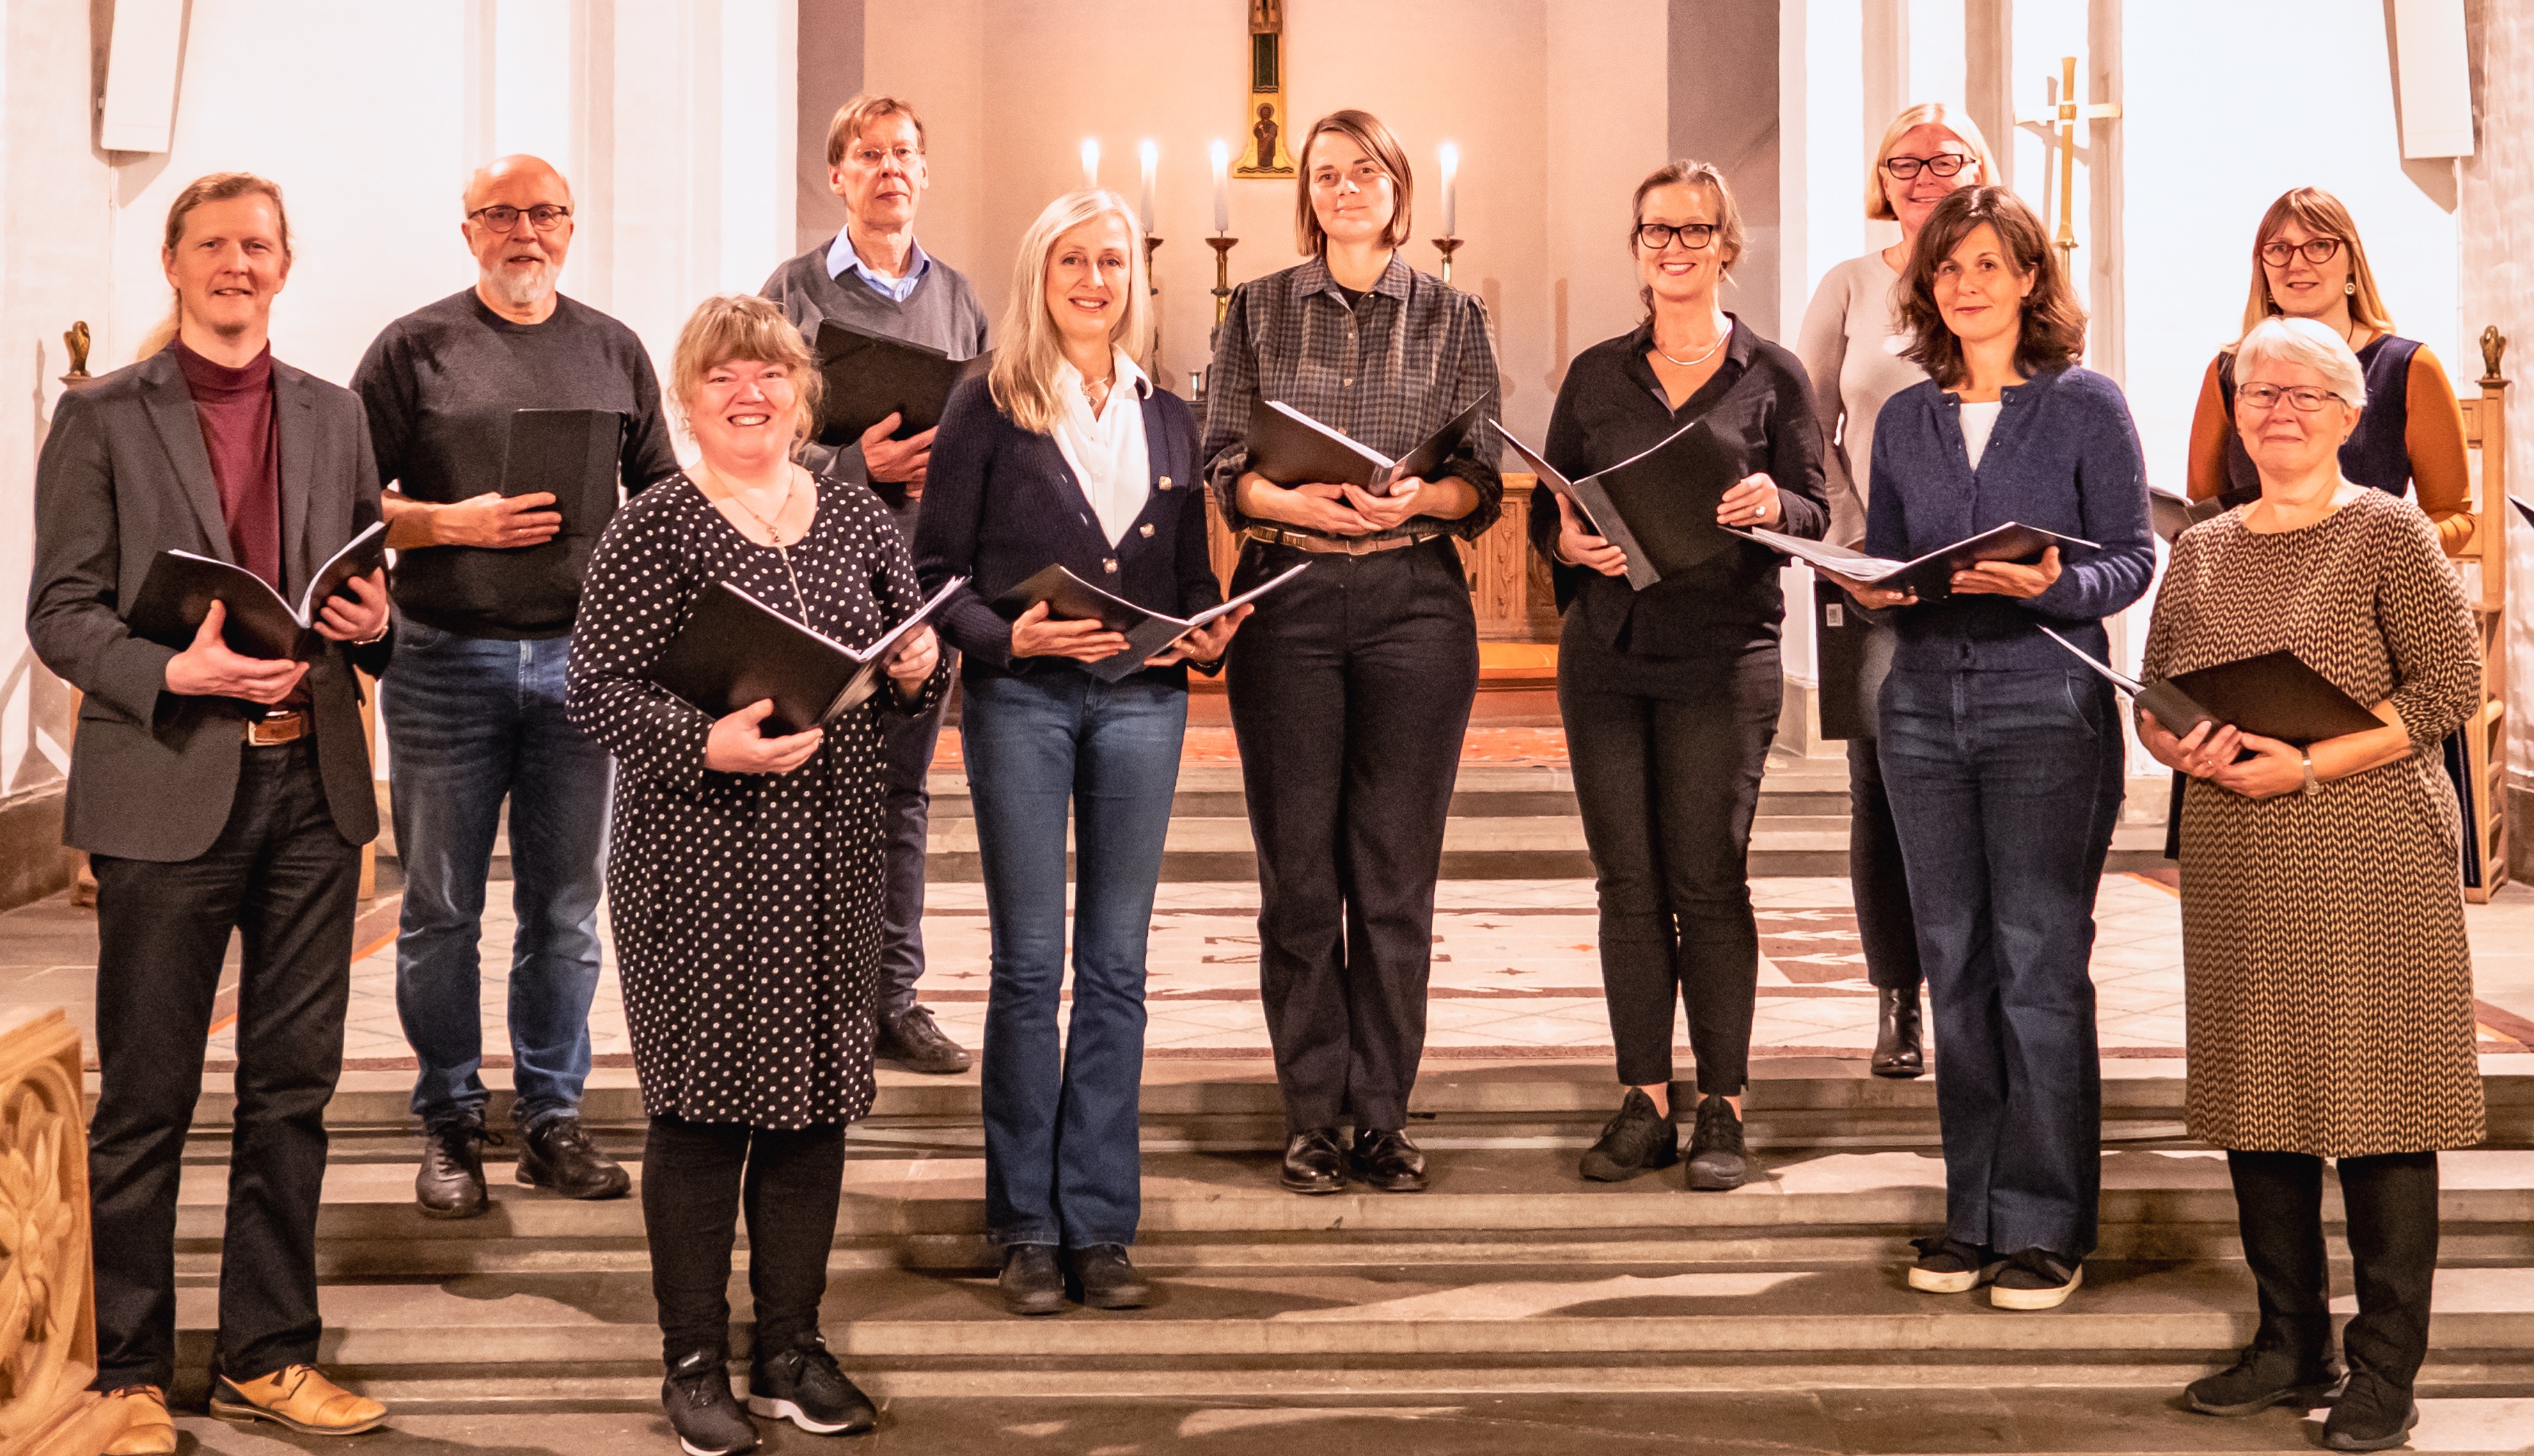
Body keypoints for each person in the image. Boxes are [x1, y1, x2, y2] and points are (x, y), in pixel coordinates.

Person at [30, 173, 393, 1449]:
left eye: (259, 245)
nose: (238, 264)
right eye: (214, 246)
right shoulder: (101, 416)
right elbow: (60, 611)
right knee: (147, 1094)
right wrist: (171, 669)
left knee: (291, 1087)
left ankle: (266, 1353)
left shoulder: (335, 411)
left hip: (313, 786)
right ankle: (127, 1364)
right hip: (170, 776)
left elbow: (357, 577)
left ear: (285, 265)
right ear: (175, 266)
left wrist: (375, 619)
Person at [565, 295, 944, 1455]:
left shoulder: (859, 521)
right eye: (724, 376)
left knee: (812, 1108)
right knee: (697, 1116)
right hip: (697, 857)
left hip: (830, 854)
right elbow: (593, 689)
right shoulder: (659, 526)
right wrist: (704, 741)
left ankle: (789, 1347)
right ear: (687, 400)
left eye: (770, 374)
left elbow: (900, 663)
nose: (749, 392)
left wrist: (923, 665)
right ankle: (693, 1361)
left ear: (801, 395)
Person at [2141, 317, 2483, 1453]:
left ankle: (2387, 1368)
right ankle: (2293, 1341)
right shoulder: (2203, 546)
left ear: (2350, 414)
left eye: (2302, 393)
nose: (2276, 409)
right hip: (2239, 853)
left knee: (2382, 1102)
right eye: (2256, 392)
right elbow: (2157, 694)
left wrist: (2311, 762)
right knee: (2260, 1098)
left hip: (2372, 846)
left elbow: (2450, 686)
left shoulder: (2387, 532)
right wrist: (2176, 743)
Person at [917, 189, 1245, 1315]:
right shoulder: (987, 403)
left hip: (1144, 706)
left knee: (1114, 969)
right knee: (1026, 968)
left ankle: (1100, 1224)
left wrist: (1208, 626)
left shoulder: (1170, 416)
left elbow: (1193, 579)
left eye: (1111, 261)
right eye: (1073, 260)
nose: (1095, 279)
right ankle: (1023, 1223)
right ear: (1038, 275)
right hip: (1022, 705)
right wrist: (1007, 633)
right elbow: (932, 576)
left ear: (1134, 279)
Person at [1826, 187, 2153, 1311]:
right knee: (1954, 966)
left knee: (2038, 966)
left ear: (2028, 279)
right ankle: (1973, 1211)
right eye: (1949, 268)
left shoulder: (2083, 404)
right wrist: (1870, 580)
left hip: (2043, 708)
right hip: (1922, 708)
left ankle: (2045, 1225)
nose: (1966, 284)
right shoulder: (1910, 415)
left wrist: (2060, 584)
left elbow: (2130, 558)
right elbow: (1905, 565)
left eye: (1988, 265)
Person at [353, 154, 679, 1219]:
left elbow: (664, 495)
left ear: (573, 228)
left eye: (544, 214)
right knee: (441, 907)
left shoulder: (613, 348)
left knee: (568, 910)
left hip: (582, 668)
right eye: (501, 214)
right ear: (468, 231)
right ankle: (449, 1118)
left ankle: (551, 1117)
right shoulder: (414, 348)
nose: (524, 231)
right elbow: (351, 503)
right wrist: (456, 522)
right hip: (446, 659)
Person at [1200, 107, 1502, 1196]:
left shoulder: (1454, 317)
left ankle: (1380, 1115)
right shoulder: (1259, 311)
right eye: (1326, 174)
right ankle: (1310, 1114)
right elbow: (1221, 457)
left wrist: (1434, 492)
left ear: (1398, 186)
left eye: (1364, 170)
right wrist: (1288, 497)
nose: (1344, 188)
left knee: (1391, 876)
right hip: (1285, 593)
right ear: (1307, 196)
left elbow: (1487, 481)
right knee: (1297, 872)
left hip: (1415, 603)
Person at [1532, 161, 1827, 1189]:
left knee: (1707, 879)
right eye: (1657, 232)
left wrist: (1770, 507)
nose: (1675, 249)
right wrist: (1572, 548)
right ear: (1637, 246)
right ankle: (1643, 1101)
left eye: (1695, 232)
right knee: (1627, 883)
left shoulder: (1774, 375)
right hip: (1609, 654)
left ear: (1725, 245)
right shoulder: (1596, 375)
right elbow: (1551, 511)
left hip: (1722, 656)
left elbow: (1818, 512)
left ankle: (1723, 1107)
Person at [762, 95, 990, 1077]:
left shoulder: (963, 298)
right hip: (815, 581)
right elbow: (753, 431)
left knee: (901, 798)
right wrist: (856, 466)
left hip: (920, 585)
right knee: (801, 788)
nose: (890, 168)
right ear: (838, 175)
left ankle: (891, 996)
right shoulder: (794, 292)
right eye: (869, 154)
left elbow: (987, 432)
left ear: (925, 173)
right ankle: (803, 993)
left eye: (906, 152)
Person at [1793, 102, 1999, 1079]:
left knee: (1986, 777)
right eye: (1903, 161)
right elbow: (1806, 423)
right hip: (1877, 567)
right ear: (1882, 178)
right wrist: (1849, 534)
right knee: (1881, 787)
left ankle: (1980, 986)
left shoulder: (2005, 278)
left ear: (1976, 168)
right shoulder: (1848, 284)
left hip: (1991, 570)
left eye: (1943, 158)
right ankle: (1898, 998)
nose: (1923, 174)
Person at [2185, 188, 2473, 553]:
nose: (2297, 263)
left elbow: (2453, 515)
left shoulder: (2409, 368)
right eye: (2279, 249)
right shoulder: (2228, 372)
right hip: (2256, 587)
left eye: (2319, 245)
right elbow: (2201, 509)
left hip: (2369, 588)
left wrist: (2379, 549)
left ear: (2352, 260)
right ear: (2263, 267)